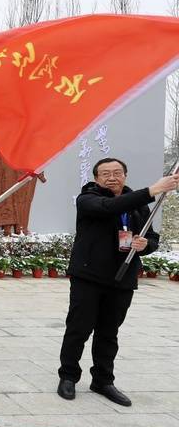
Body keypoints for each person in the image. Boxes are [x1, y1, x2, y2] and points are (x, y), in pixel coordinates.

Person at [57, 158, 178, 406]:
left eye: (117, 173)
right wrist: (153, 190)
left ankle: (103, 380)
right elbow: (108, 208)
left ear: (125, 175)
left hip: (122, 278)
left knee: (109, 332)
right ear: (96, 178)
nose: (112, 177)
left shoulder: (138, 205)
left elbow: (152, 237)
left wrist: (146, 245)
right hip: (89, 277)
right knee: (79, 329)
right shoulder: (88, 199)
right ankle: (68, 376)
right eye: (105, 174)